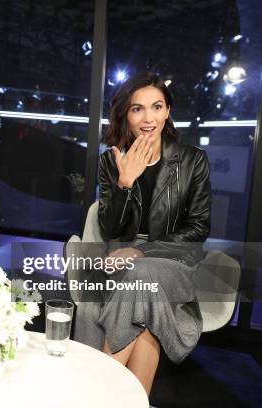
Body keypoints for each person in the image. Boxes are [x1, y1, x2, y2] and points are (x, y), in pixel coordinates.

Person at [71, 72, 211, 395]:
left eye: (157, 107)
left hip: (175, 260)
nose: (148, 118)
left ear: (167, 112)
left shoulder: (192, 161)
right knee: (144, 310)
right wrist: (125, 184)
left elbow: (199, 229)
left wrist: (142, 252)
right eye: (137, 109)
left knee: (139, 273)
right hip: (121, 260)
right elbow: (110, 231)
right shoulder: (112, 161)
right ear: (125, 114)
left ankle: (92, 391)